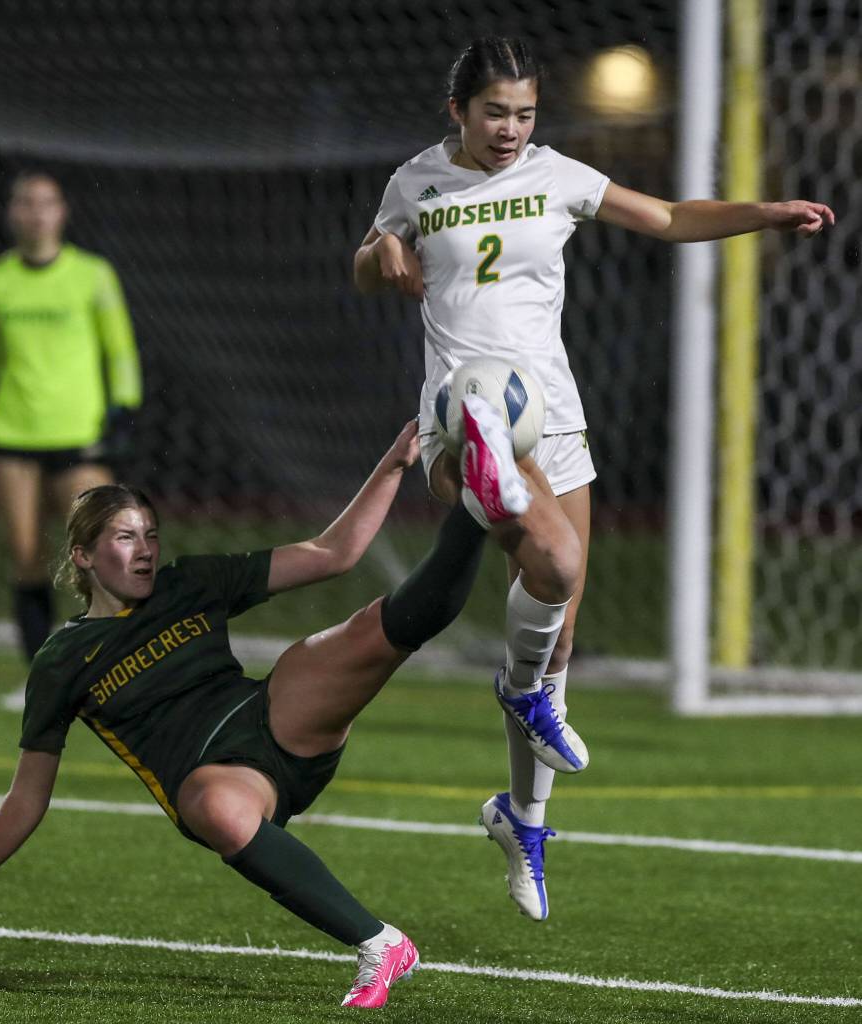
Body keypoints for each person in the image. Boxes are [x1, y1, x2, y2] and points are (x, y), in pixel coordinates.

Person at [353, 36, 836, 922]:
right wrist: (380, 254)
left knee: (557, 629)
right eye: (494, 112)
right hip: (456, 414)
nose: (509, 129)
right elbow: (368, 256)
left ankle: (522, 818)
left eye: (524, 113)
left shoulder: (558, 174)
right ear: (455, 111)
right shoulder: (414, 182)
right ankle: (494, 530)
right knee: (538, 538)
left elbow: (665, 218)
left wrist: (764, 212)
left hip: (554, 421)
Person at [0, 398, 539, 1009]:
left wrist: (393, 465)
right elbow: (29, 792)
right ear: (83, 557)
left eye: (149, 533)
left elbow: (330, 553)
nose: (145, 548)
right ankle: (381, 945)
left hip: (278, 717)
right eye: (124, 538)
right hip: (221, 780)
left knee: (383, 627)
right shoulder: (61, 661)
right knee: (212, 805)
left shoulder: (190, 582)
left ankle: (479, 501)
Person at [0, 171, 142, 664]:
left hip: (78, 434)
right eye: (25, 202)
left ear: (62, 212)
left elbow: (119, 350)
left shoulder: (92, 274)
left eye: (45, 202)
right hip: (12, 435)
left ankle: (118, 667)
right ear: (11, 213)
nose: (35, 211)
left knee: (107, 555)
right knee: (27, 557)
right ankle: (41, 677)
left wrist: (124, 408)